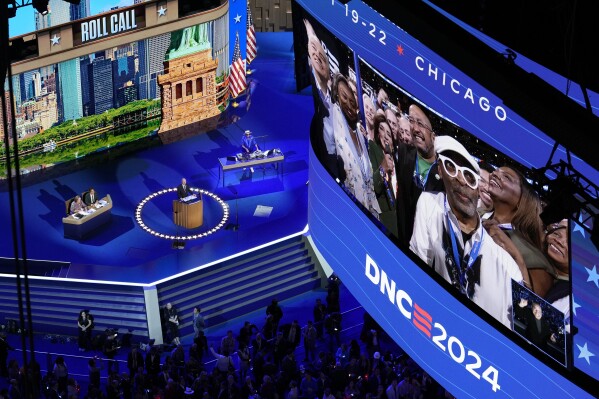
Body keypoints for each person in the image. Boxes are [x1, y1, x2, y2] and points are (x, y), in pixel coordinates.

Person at [409, 136, 523, 327]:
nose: (461, 180)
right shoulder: (430, 206)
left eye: (470, 176)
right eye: (451, 167)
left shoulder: (506, 266)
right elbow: (415, 274)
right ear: (440, 171)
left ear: (478, 189)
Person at [483, 165, 554, 297]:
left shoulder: (535, 258)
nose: (495, 174)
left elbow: (533, 307)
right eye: (496, 171)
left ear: (522, 200)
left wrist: (515, 255)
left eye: (506, 177)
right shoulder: (476, 215)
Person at [395, 104, 444, 247]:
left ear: (434, 135)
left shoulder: (443, 176)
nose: (415, 129)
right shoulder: (404, 152)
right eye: (412, 120)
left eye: (421, 124)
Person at [332, 73, 378, 214]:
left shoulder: (359, 132)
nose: (349, 105)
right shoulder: (335, 131)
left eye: (352, 101)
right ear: (337, 99)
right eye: (344, 97)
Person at [370, 113, 398, 237]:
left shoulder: (397, 163)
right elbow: (372, 186)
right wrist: (383, 168)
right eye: (382, 130)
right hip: (383, 222)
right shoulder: (372, 148)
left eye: (389, 134)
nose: (386, 137)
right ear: (377, 134)